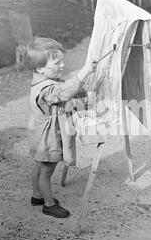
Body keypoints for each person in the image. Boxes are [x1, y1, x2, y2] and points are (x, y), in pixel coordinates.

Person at [25, 37, 97, 218]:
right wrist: (83, 73)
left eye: (62, 61)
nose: (62, 65)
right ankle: (48, 204)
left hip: (40, 134)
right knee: (46, 171)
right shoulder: (46, 89)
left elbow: (64, 89)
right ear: (40, 68)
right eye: (57, 63)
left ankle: (37, 195)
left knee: (40, 165)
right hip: (47, 137)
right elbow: (63, 92)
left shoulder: (41, 80)